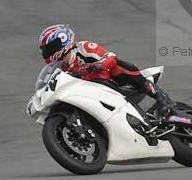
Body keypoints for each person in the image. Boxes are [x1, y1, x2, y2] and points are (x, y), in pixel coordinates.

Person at [38, 24, 175, 121]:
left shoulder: (84, 47)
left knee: (119, 66)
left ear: (62, 40)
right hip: (91, 94)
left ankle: (161, 97)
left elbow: (110, 57)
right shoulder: (63, 69)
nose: (49, 52)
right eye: (47, 49)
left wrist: (96, 66)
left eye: (50, 47)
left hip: (110, 82)